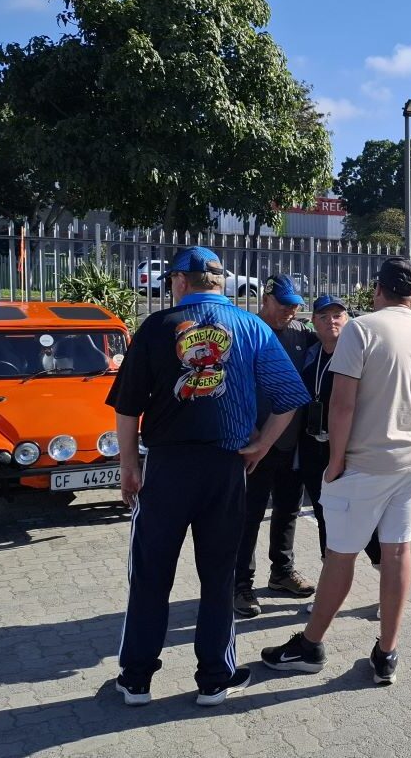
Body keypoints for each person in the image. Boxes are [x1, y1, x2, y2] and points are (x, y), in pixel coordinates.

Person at [108, 247, 310, 707]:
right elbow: (291, 396)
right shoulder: (253, 327)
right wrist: (260, 446)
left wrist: (128, 466)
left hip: (165, 469)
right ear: (218, 283)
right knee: (218, 577)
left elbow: (126, 406)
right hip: (225, 469)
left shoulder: (156, 328)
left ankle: (136, 679)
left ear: (179, 281)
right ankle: (214, 679)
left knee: (150, 576)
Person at [261, 257, 411, 686]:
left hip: (366, 463)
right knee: (398, 551)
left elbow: (341, 405)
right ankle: (387, 653)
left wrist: (336, 462)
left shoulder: (362, 330)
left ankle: (310, 646)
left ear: (377, 290)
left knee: (340, 556)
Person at [233, 275, 319, 619]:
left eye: (295, 304)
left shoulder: (301, 334)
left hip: (291, 443)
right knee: (248, 515)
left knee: (288, 510)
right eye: (284, 303)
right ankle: (240, 585)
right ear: (265, 300)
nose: (291, 309)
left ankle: (281, 572)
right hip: (254, 443)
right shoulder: (245, 331)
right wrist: (252, 433)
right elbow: (232, 383)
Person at [298, 294, 381, 597]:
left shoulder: (359, 353)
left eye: (337, 316)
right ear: (314, 323)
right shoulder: (310, 353)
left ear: (347, 320)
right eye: (324, 317)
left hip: (348, 450)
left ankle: (385, 581)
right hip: (312, 448)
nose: (331, 321)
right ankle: (327, 591)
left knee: (365, 518)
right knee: (324, 515)